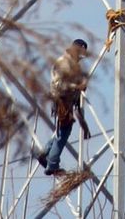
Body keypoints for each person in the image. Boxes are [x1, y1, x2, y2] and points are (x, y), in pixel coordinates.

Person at [37, 38, 89, 176]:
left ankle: (45, 153)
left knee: (62, 131)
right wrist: (77, 86)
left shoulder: (72, 64)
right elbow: (58, 85)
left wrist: (79, 87)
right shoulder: (64, 64)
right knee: (63, 133)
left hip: (68, 101)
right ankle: (52, 165)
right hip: (62, 100)